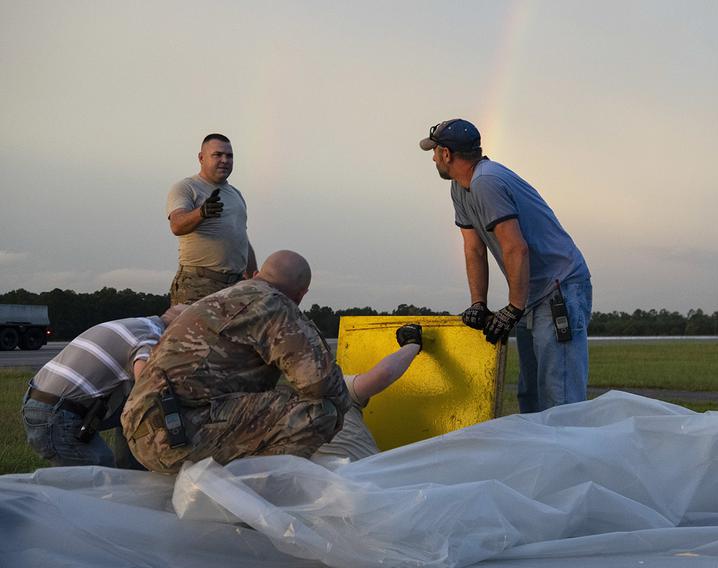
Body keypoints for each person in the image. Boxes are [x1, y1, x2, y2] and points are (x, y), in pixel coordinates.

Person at [122, 250, 351, 474]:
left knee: (280, 399)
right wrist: (347, 400)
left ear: (255, 275)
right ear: (301, 295)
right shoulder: (274, 305)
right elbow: (319, 382)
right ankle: (260, 494)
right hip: (175, 435)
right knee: (321, 412)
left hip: (145, 429)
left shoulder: (221, 298)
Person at [420, 119, 592, 413]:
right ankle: (541, 458)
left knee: (560, 400)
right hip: (531, 295)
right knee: (531, 397)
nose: (433, 157)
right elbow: (473, 247)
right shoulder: (461, 189)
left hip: (559, 288)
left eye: (434, 151)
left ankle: (571, 458)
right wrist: (478, 303)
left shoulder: (486, 181)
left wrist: (512, 307)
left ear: (446, 154)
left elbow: (516, 247)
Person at [21, 305, 187, 469]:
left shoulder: (138, 324)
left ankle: (132, 470)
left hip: (41, 402)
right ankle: (130, 475)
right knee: (102, 476)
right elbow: (146, 387)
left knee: (128, 409)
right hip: (56, 414)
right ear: (179, 327)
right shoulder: (151, 337)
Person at [167, 133, 258, 305]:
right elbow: (176, 226)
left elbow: (242, 239)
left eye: (229, 156)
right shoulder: (186, 187)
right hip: (198, 285)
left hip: (235, 287)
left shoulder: (236, 194)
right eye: (217, 155)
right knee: (191, 332)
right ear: (201, 158)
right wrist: (201, 213)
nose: (225, 160)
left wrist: (255, 276)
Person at [312, 324, 422, 464]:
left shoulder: (279, 410)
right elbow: (384, 374)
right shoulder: (334, 387)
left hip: (319, 484)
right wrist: (412, 344)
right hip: (370, 478)